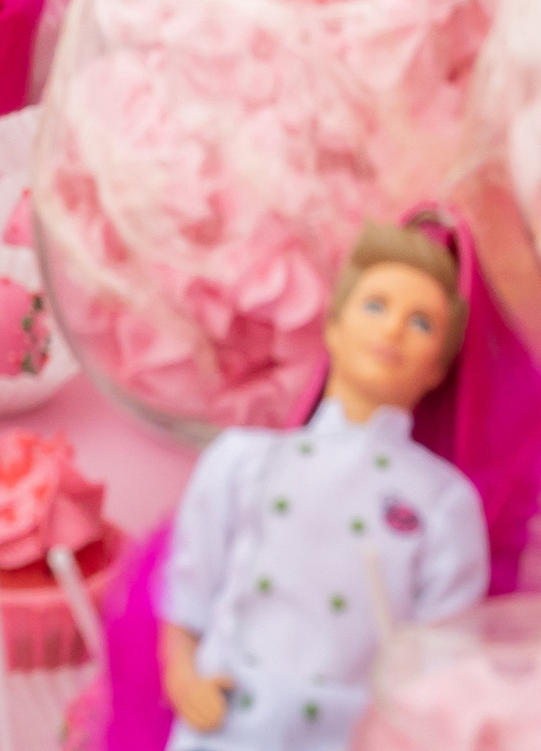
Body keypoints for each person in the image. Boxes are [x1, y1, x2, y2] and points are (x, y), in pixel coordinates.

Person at [159, 226, 487, 751]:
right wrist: (183, 679)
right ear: (334, 327)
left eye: (421, 321)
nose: (395, 329)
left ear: (437, 370)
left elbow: (444, 658)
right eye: (376, 305)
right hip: (229, 723)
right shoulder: (243, 458)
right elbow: (190, 592)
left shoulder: (443, 501)